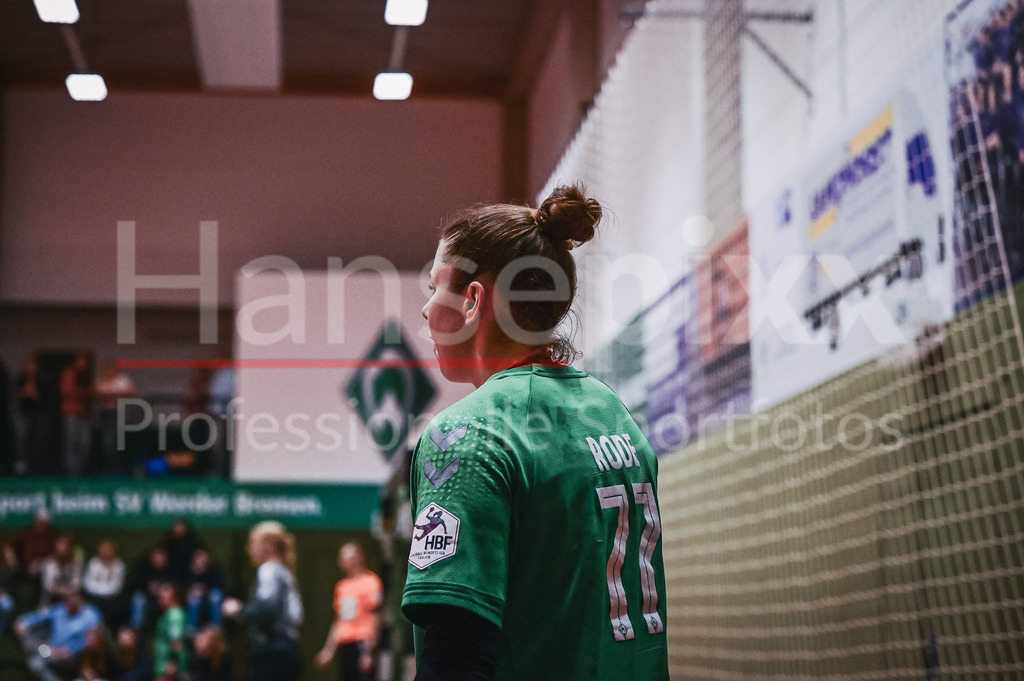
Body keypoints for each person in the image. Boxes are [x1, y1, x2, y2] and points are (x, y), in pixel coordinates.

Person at [402, 185, 669, 680]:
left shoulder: (466, 433)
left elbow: (455, 655)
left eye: (433, 287)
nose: (425, 309)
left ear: (472, 301)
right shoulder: (614, 414)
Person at [221, 521, 303, 681]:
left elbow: (266, 611)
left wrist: (238, 609)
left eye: (252, 543)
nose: (248, 550)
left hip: (274, 653)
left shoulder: (269, 570)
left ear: (269, 546)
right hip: (288, 651)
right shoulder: (284, 571)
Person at [316, 543, 383, 681]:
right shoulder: (342, 586)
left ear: (358, 557)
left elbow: (375, 617)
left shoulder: (371, 582)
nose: (341, 561)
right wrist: (329, 650)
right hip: (346, 645)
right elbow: (339, 620)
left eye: (345, 556)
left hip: (362, 644)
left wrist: (369, 652)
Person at [14, 590, 102, 681]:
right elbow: (38, 616)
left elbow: (93, 640)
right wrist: (23, 622)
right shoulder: (60, 610)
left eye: (71, 599)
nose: (67, 604)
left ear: (79, 599)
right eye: (66, 600)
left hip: (76, 654)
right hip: (52, 651)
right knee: (35, 663)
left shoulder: (91, 614)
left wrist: (71, 649)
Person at [59, 352, 93, 477]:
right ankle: (71, 472)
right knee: (71, 444)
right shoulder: (69, 373)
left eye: (84, 361)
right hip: (71, 413)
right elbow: (67, 391)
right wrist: (85, 392)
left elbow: (92, 392)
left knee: (85, 443)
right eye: (80, 360)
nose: (82, 363)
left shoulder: (86, 375)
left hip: (85, 414)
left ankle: (81, 471)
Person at [83, 539, 127, 630]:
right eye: (103, 550)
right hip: (94, 598)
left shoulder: (119, 565)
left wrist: (100, 590)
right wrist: (101, 591)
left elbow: (116, 588)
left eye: (108, 550)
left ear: (114, 551)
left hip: (112, 600)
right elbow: (87, 584)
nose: (106, 552)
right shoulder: (93, 563)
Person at [152, 583, 188, 681]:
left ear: (174, 595)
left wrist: (173, 663)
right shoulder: (167, 614)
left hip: (169, 670)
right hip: (162, 667)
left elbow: (176, 640)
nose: (160, 597)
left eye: (163, 595)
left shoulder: (175, 615)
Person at [39, 532, 83, 607]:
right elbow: (48, 585)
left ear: (70, 549)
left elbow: (76, 585)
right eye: (59, 546)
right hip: (50, 601)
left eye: (65, 546)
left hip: (70, 602)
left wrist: (65, 591)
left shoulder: (76, 565)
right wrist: (62, 590)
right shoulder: (48, 563)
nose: (61, 549)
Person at [184, 548, 224, 631]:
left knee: (216, 596)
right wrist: (195, 590)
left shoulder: (214, 570)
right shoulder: (189, 571)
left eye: (204, 558)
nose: (203, 560)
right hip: (196, 598)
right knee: (193, 598)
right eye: (200, 558)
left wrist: (204, 590)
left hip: (210, 596)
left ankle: (216, 626)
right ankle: (192, 627)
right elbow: (185, 586)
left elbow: (218, 586)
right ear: (195, 559)